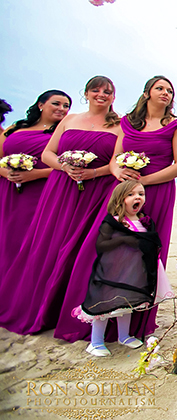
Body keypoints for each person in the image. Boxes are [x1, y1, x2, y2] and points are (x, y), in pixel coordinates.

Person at [54, 75, 177, 343]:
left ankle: (131, 327)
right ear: (147, 92)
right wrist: (119, 174)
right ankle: (94, 318)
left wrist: (143, 182)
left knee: (143, 255)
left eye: (169, 90)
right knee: (102, 249)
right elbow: (116, 158)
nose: (165, 93)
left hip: (157, 191)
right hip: (120, 192)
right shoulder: (126, 122)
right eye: (159, 88)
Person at [0, 76, 121, 335]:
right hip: (59, 189)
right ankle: (38, 307)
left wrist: (93, 173)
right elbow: (47, 154)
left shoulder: (120, 125)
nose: (101, 94)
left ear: (113, 97)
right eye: (96, 90)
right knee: (48, 245)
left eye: (107, 91)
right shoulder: (70, 119)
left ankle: (70, 311)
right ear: (86, 93)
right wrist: (64, 167)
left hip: (95, 192)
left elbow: (115, 162)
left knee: (80, 251)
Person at [74, 180, 169, 357]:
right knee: (104, 306)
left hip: (133, 273)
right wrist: (125, 239)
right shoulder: (114, 221)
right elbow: (102, 245)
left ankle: (124, 336)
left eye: (141, 194)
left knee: (127, 304)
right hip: (112, 274)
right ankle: (95, 342)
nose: (137, 197)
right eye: (131, 195)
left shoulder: (143, 220)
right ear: (120, 198)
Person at [0, 90, 72, 269]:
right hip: (6, 187)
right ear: (40, 105)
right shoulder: (16, 127)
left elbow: (65, 167)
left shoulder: (64, 134)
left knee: (23, 239)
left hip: (40, 192)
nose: (61, 109)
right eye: (56, 103)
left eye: (66, 106)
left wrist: (34, 175)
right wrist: (6, 174)